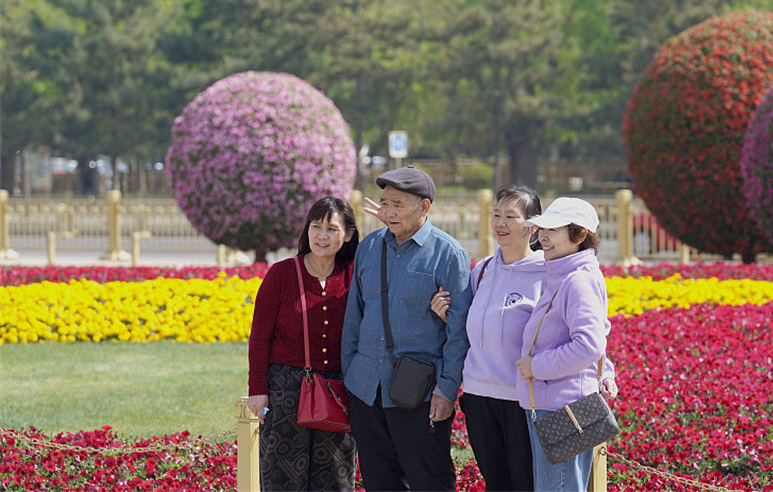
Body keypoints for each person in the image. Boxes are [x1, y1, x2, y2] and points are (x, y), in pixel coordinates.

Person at [430, 187, 617, 491]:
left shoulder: (552, 272)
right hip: (479, 397)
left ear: (529, 225)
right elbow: (474, 326)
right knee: (499, 484)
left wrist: (603, 371)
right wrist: (447, 318)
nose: (500, 223)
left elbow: (590, 335)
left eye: (510, 217)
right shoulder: (484, 270)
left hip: (521, 399)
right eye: (496, 215)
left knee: (531, 484)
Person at [341, 166, 473, 491]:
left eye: (398, 204)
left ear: (424, 207)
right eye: (385, 203)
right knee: (379, 482)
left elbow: (459, 333)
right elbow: (353, 320)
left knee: (430, 481)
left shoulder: (448, 254)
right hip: (366, 390)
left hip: (421, 395)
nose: (387, 211)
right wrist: (350, 376)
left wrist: (446, 389)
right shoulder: (369, 247)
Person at [246, 196, 359, 491]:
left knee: (335, 477)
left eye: (332, 229)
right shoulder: (282, 274)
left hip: (339, 391)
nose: (322, 235)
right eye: (316, 226)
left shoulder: (355, 274)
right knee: (282, 479)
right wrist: (258, 391)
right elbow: (259, 338)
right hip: (285, 392)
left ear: (347, 235)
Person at [515, 197, 614, 492]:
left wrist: (536, 367)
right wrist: (606, 372)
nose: (542, 237)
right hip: (558, 403)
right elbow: (599, 336)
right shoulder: (564, 274)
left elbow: (588, 345)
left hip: (562, 407)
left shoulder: (576, 280)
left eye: (553, 230)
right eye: (541, 230)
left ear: (579, 235)